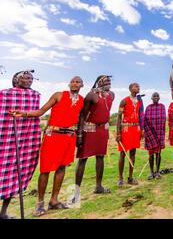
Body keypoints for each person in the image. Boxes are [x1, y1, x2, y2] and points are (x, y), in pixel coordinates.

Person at [10, 76, 85, 216]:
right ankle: (39, 204)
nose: (75, 83)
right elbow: (41, 111)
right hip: (53, 136)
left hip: (69, 137)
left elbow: (81, 118)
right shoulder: (58, 95)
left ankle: (54, 201)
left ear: (82, 85)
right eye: (73, 81)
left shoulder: (82, 100)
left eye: (78, 82)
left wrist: (80, 136)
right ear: (69, 84)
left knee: (62, 167)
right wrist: (25, 113)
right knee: (45, 169)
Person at [0, 70, 41, 219]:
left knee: (16, 176)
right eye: (25, 77)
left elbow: (36, 113)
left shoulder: (35, 95)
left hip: (25, 141)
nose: (29, 80)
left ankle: (3, 212)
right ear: (16, 79)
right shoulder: (4, 94)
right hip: (5, 140)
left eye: (31, 78)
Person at [71, 75, 115, 204]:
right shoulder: (91, 95)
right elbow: (82, 116)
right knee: (83, 159)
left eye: (109, 81)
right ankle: (76, 192)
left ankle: (98, 186)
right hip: (89, 129)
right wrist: (79, 134)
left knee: (100, 156)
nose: (108, 83)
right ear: (99, 83)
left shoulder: (111, 94)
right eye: (105, 81)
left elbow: (105, 112)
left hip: (103, 129)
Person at [116, 83, 143, 186]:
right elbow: (119, 117)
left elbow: (140, 116)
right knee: (123, 153)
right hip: (126, 129)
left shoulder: (139, 101)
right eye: (136, 86)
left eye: (138, 86)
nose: (138, 88)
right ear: (130, 89)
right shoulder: (124, 101)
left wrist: (141, 130)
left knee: (133, 153)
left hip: (135, 129)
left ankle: (130, 177)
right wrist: (118, 132)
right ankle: (120, 178)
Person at [144, 92, 166, 179]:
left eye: (157, 96)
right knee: (150, 154)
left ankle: (157, 172)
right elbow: (145, 120)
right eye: (154, 96)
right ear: (151, 98)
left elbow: (163, 119)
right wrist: (148, 131)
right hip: (150, 134)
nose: (156, 97)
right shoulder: (148, 108)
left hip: (159, 132)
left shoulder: (162, 106)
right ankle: (151, 172)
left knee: (158, 153)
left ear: (159, 98)